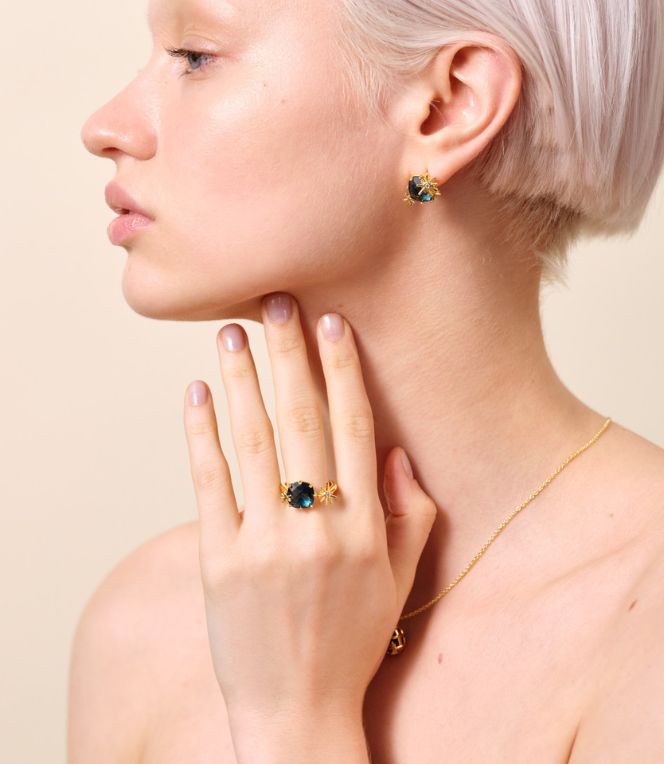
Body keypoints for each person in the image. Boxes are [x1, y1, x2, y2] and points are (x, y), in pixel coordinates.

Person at [70, 0, 664, 761]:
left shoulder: (641, 622)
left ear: (448, 107)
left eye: (195, 56)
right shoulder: (143, 629)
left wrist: (294, 719)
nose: (105, 127)